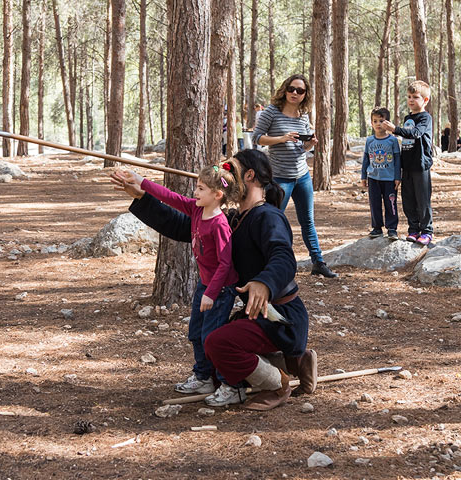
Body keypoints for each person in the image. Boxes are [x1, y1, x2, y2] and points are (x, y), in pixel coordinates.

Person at [111, 149, 317, 410]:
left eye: (231, 170)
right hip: (260, 317)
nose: (224, 176)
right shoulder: (232, 218)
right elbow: (184, 226)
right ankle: (295, 361)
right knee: (215, 342)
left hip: (282, 319)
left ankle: (278, 383)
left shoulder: (269, 217)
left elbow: (283, 256)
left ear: (250, 175)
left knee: (217, 343)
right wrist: (141, 196)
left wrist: (265, 283)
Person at [117, 164, 240, 396]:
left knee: (213, 338)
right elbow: (170, 197)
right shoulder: (196, 209)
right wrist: (141, 181)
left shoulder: (220, 224)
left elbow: (226, 264)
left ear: (217, 195)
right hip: (205, 285)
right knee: (195, 333)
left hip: (220, 290)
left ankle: (229, 385)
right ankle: (203, 377)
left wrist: (211, 294)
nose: (195, 192)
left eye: (201, 188)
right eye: (196, 186)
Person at [252, 74, 337, 278]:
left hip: (302, 176)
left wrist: (309, 145)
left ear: (305, 95)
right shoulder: (271, 112)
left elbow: (300, 149)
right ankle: (266, 263)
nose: (295, 93)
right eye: (291, 89)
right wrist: (282, 138)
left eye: (300, 91)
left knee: (307, 220)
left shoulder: (303, 115)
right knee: (274, 220)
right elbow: (257, 138)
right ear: (285, 89)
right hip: (280, 178)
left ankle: (318, 262)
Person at [382, 80, 433, 245]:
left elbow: (416, 133)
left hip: (421, 165)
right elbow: (405, 139)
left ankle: (427, 231)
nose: (411, 100)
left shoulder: (425, 118)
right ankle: (413, 230)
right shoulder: (407, 117)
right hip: (407, 166)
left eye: (416, 97)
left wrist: (395, 129)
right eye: (409, 96)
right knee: (408, 199)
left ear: (425, 100)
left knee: (422, 199)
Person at [360, 107, 401, 240]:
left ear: (387, 122)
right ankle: (377, 228)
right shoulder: (370, 141)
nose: (378, 124)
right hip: (373, 178)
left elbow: (397, 160)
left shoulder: (393, 141)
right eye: (375, 121)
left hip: (389, 179)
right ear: (371, 123)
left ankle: (392, 228)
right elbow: (366, 159)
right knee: (375, 203)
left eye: (381, 120)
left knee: (391, 203)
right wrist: (363, 176)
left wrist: (397, 177)